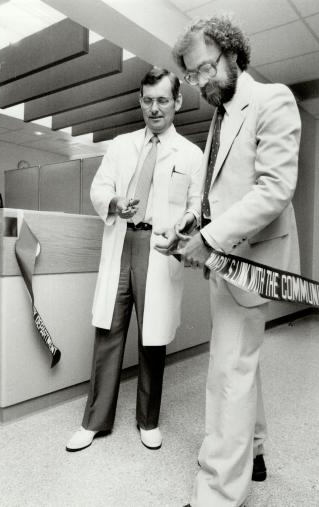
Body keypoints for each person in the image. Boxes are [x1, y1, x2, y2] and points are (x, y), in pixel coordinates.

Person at [155, 14, 301, 507]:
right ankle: (254, 452)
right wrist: (188, 223)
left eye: (205, 69)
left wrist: (211, 239)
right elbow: (209, 188)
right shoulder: (221, 114)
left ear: (233, 53)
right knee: (241, 365)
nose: (200, 82)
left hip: (251, 260)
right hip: (223, 257)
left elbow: (274, 189)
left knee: (226, 372)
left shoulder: (272, 99)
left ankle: (219, 492)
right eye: (193, 75)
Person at [66, 67, 203, 453]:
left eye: (162, 100)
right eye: (147, 100)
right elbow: (99, 187)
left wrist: (188, 221)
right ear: (139, 101)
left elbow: (196, 208)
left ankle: (148, 419)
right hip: (122, 239)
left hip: (158, 248)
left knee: (152, 337)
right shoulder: (121, 144)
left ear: (176, 102)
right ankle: (94, 421)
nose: (154, 108)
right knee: (108, 332)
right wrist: (113, 202)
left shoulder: (191, 154)